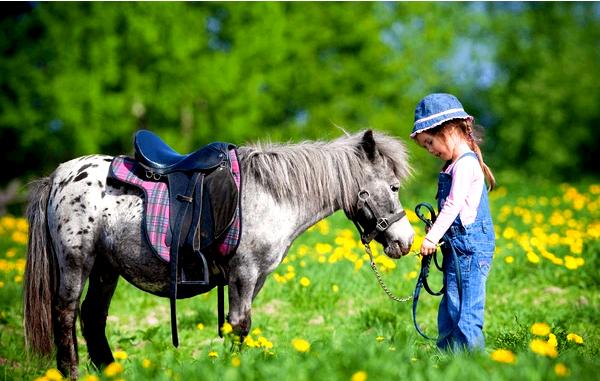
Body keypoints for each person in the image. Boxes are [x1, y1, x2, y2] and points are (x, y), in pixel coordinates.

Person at [410, 93, 496, 351]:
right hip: (456, 248)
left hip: (469, 249)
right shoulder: (452, 165)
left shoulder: (466, 164)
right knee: (450, 306)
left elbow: (454, 205)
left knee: (465, 311)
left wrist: (431, 237)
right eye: (426, 146)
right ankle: (447, 359)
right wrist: (437, 228)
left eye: (430, 142)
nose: (430, 150)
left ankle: (471, 364)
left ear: (448, 129)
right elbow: (452, 212)